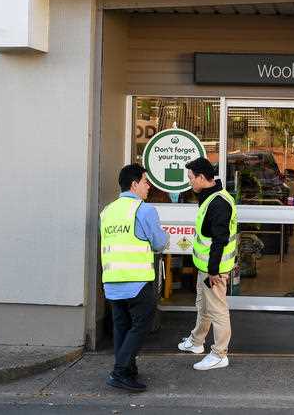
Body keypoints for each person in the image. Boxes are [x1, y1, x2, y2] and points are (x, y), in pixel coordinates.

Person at [100, 164, 167, 392]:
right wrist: (163, 234)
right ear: (134, 184)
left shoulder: (107, 211)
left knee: (122, 327)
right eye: (146, 181)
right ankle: (119, 371)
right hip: (137, 281)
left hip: (112, 282)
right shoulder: (144, 210)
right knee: (141, 326)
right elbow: (159, 243)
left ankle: (127, 369)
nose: (149, 186)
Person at [177, 157, 238, 371]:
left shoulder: (218, 203)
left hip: (215, 270)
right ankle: (196, 342)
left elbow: (220, 240)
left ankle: (220, 354)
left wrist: (213, 270)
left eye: (191, 178)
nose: (190, 182)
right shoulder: (210, 197)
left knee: (218, 311)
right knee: (203, 307)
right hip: (206, 268)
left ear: (202, 178)